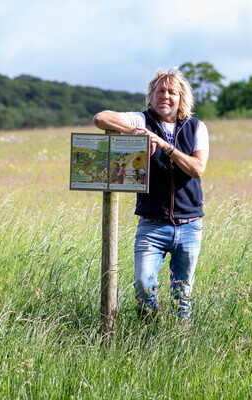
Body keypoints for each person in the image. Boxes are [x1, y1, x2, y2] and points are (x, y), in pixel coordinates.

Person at [93, 68, 209, 320]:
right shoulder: (141, 119)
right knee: (143, 285)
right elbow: (101, 118)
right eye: (159, 91)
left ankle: (180, 341)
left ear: (181, 99)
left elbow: (197, 169)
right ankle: (149, 337)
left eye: (171, 92)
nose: (164, 96)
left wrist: (165, 146)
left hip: (190, 225)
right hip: (152, 225)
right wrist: (135, 134)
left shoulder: (196, 127)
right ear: (151, 95)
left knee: (183, 294)